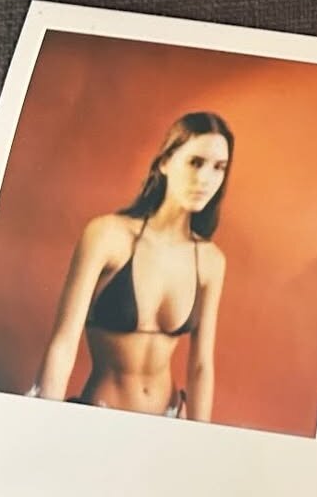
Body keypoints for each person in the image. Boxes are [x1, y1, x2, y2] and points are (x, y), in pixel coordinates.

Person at [31, 113, 231, 420]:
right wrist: (44, 422)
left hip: (170, 418)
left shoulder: (210, 260)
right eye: (195, 162)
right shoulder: (108, 235)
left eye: (219, 167)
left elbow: (201, 366)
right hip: (101, 418)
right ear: (165, 162)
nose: (206, 179)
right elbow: (63, 343)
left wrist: (199, 437)